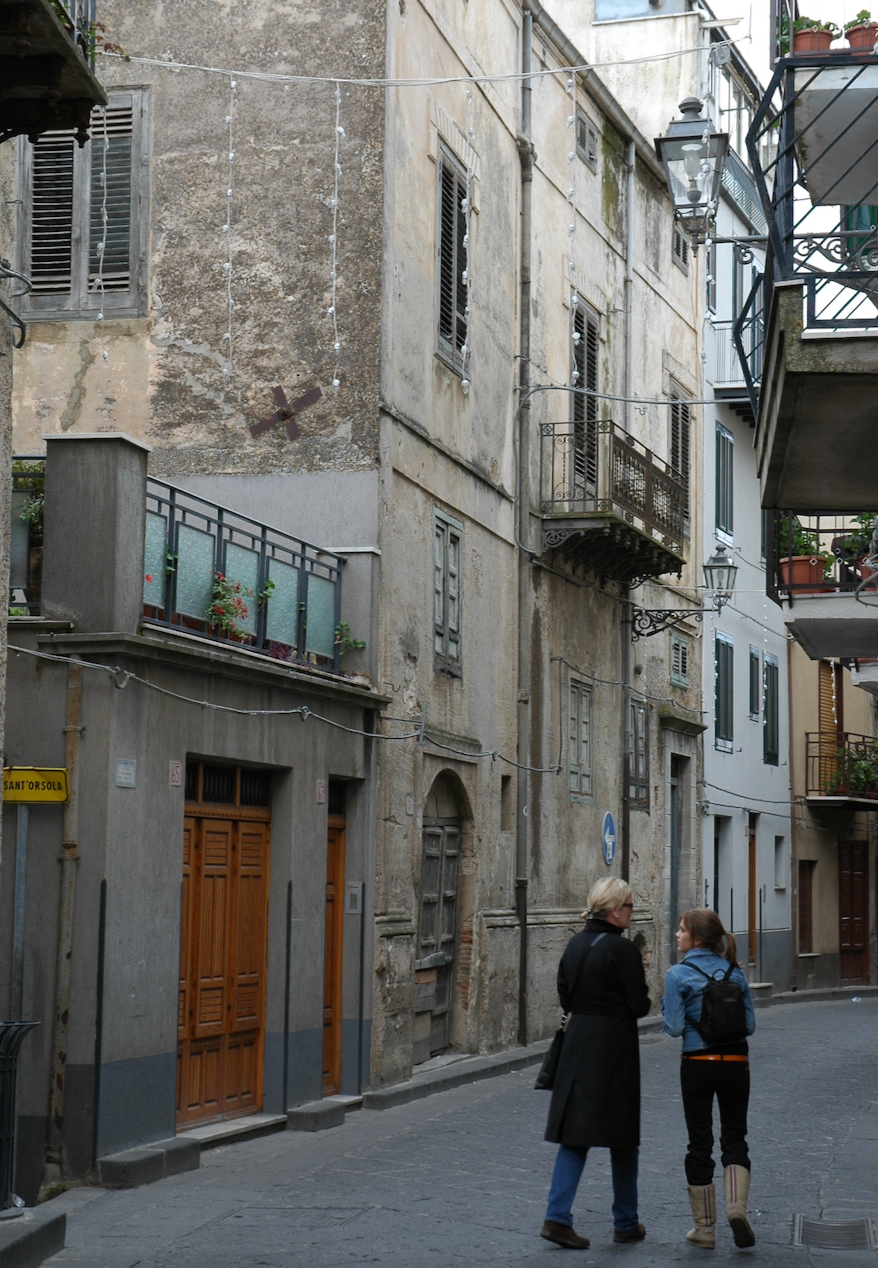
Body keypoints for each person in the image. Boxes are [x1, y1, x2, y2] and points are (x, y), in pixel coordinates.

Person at [541, 877, 651, 1249]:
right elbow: (639, 1004)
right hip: (614, 1047)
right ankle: (625, 1221)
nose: (632, 914)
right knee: (623, 1137)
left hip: (578, 1043)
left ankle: (557, 1217)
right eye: (631, 907)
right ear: (616, 910)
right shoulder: (623, 951)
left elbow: (564, 995)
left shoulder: (573, 944)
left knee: (575, 1135)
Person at [662, 908, 756, 1250]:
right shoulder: (737, 973)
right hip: (735, 1061)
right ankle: (736, 1207)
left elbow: (672, 1028)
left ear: (696, 938)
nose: (677, 934)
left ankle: (704, 1230)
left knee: (699, 1142)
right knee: (735, 1135)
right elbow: (749, 1026)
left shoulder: (677, 975)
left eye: (682, 929)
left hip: (698, 1063)